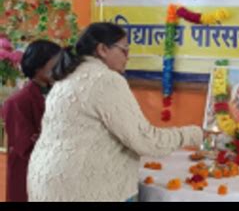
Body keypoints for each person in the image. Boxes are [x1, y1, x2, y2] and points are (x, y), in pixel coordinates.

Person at [27, 22, 205, 201]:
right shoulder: (105, 79)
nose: (128, 57)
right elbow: (145, 140)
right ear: (103, 49)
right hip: (81, 188)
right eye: (124, 50)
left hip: (45, 180)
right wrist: (193, 134)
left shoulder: (67, 76)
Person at [2, 40, 61, 202]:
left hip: (53, 173)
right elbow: (25, 146)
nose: (60, 66)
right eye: (55, 62)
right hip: (29, 175)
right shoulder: (17, 102)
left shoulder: (58, 93)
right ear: (38, 65)